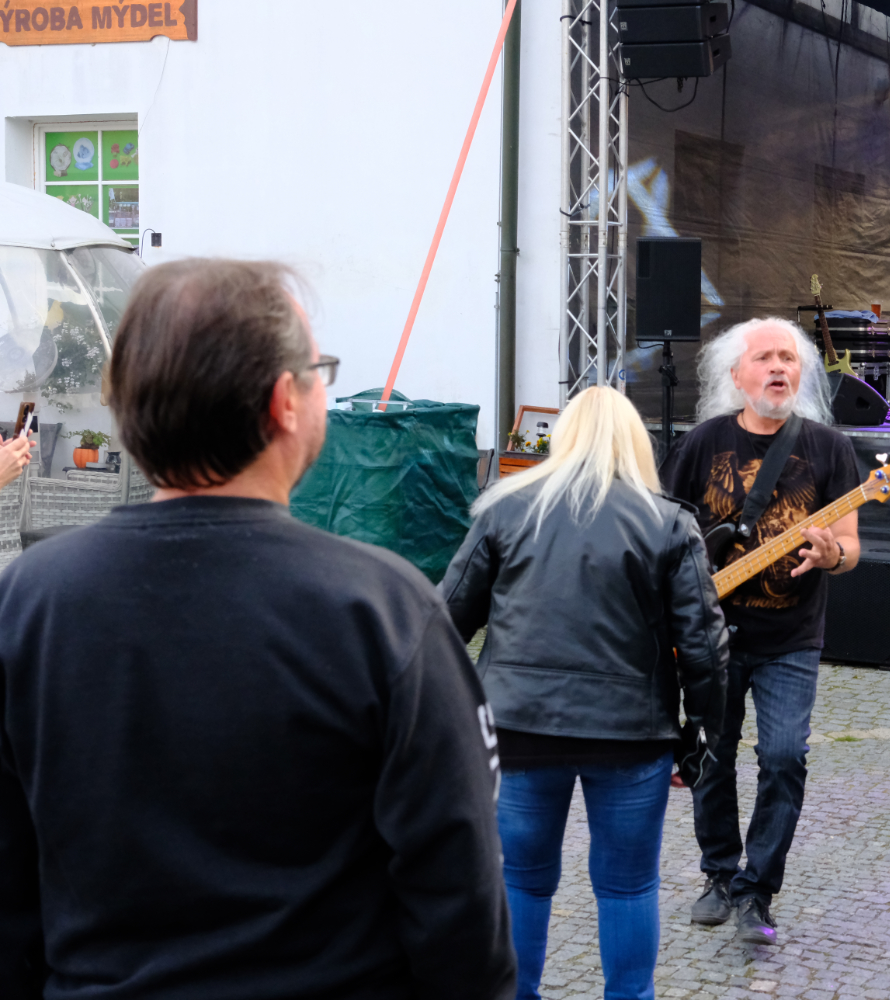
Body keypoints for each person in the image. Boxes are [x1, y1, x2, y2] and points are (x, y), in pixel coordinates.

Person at [0, 259, 517, 1000]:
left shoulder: (26, 603)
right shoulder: (382, 609)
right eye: (320, 373)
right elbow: (460, 906)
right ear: (284, 402)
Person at [442, 385, 728, 1000]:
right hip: (631, 734)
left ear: (562, 437)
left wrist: (456, 714)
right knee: (628, 886)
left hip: (518, 729)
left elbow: (444, 622)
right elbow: (705, 646)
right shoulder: (669, 522)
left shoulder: (505, 510)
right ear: (637, 442)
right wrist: (700, 734)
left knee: (520, 880)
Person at [659, 317, 862, 946]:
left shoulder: (829, 448)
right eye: (765, 358)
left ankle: (757, 889)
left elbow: (851, 547)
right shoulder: (702, 443)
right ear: (736, 375)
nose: (779, 367)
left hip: (791, 636)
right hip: (711, 636)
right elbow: (665, 532)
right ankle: (719, 875)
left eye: (789, 358)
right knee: (712, 756)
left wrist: (831, 555)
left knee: (784, 757)